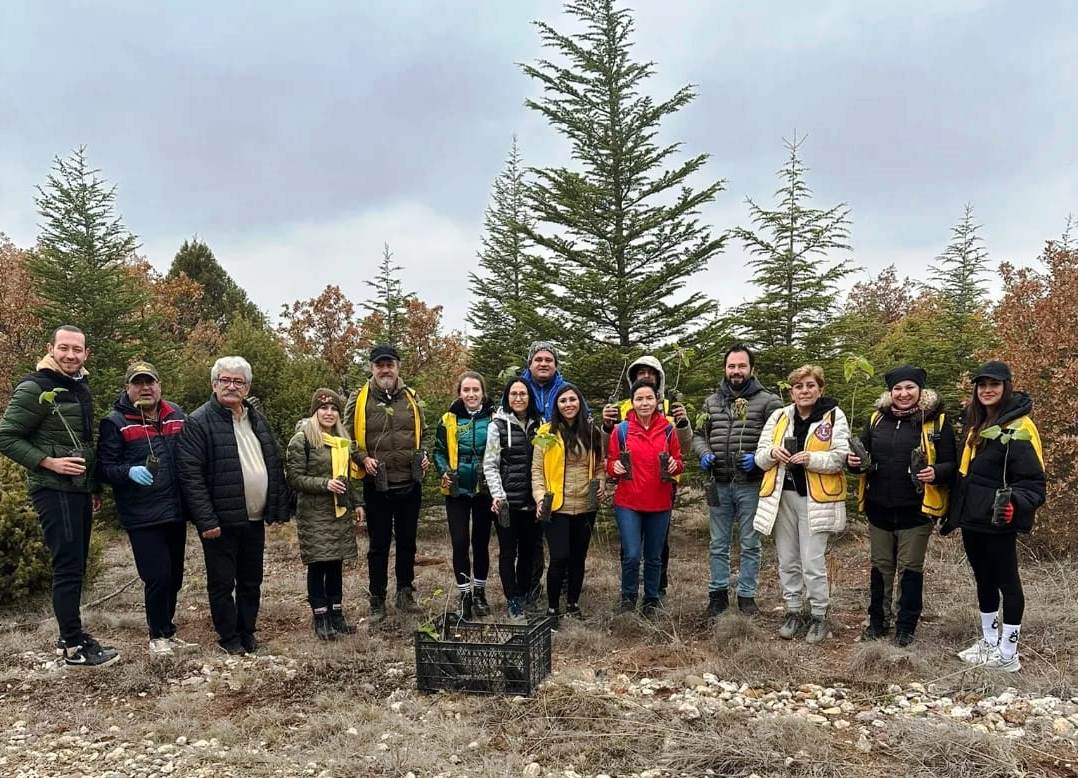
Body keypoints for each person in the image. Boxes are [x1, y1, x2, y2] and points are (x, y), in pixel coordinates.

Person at [0, 325, 118, 667]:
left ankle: (73, 634)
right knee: (67, 567)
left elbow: (83, 441)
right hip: (53, 489)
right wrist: (48, 462)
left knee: (75, 564)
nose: (70, 355)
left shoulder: (78, 386)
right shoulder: (36, 387)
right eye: (64, 348)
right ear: (51, 348)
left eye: (77, 350)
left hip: (78, 490)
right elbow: (6, 436)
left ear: (86, 354)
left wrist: (93, 486)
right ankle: (72, 646)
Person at [177, 356, 291, 654]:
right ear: (214, 384)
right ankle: (228, 637)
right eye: (225, 380)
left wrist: (277, 507)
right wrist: (206, 521)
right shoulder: (198, 422)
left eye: (238, 381)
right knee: (222, 583)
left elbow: (272, 462)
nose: (231, 386)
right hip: (221, 522)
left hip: (254, 518)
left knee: (252, 581)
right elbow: (190, 477)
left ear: (247, 386)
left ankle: (247, 631)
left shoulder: (256, 417)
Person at [944, 361, 1045, 672]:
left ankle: (1008, 653)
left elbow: (1034, 483)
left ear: (1006, 387)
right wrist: (954, 515)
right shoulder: (976, 425)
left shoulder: (1019, 428)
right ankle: (989, 641)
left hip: (999, 519)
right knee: (984, 580)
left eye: (994, 385)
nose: (987, 390)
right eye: (982, 385)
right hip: (973, 519)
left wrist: (1013, 501)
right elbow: (965, 476)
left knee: (1007, 583)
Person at [848, 365, 956, 646]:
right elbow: (862, 460)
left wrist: (936, 472)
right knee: (881, 566)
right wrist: (855, 465)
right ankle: (877, 622)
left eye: (909, 388)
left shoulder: (936, 421)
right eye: (897, 388)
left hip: (917, 509)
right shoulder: (876, 420)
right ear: (890, 392)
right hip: (879, 507)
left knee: (910, 567)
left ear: (920, 390)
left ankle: (906, 626)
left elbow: (952, 464)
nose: (903, 394)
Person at [97, 361, 195, 657]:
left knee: (175, 575)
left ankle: (168, 629)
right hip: (141, 514)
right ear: (128, 388)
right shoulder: (116, 422)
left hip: (175, 510)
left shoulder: (176, 415)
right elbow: (103, 468)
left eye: (149, 382)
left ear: (159, 385)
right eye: (138, 383)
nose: (145, 388)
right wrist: (128, 472)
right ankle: (157, 636)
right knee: (157, 576)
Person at [753, 365, 849, 644]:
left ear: (820, 388)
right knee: (787, 560)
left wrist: (811, 459)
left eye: (810, 385)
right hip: (782, 497)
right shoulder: (779, 416)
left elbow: (840, 457)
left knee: (812, 561)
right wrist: (773, 452)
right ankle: (793, 611)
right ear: (791, 390)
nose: (804, 391)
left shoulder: (833, 417)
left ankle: (819, 614)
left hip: (816, 500)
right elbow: (760, 457)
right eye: (798, 387)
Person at [692, 345, 782, 618]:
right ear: (725, 369)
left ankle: (746, 595)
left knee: (750, 542)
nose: (736, 371)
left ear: (751, 369)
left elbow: (777, 440)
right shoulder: (712, 402)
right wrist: (705, 453)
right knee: (718, 542)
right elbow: (698, 435)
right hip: (719, 483)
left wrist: (757, 459)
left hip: (750, 483)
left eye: (741, 366)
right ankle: (717, 594)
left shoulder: (769, 402)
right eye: (732, 366)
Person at [345, 344, 429, 624]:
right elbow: (347, 439)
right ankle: (377, 599)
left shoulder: (412, 398)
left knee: (407, 543)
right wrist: (363, 458)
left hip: (409, 484)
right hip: (377, 486)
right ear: (372, 368)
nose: (385, 369)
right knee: (378, 545)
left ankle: (405, 593)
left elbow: (425, 434)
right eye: (380, 365)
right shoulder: (359, 399)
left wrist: (424, 456)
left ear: (398, 367)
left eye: (389, 364)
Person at [601, 355, 691, 602]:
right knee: (631, 554)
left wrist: (675, 465)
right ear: (631, 401)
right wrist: (613, 467)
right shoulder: (621, 427)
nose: (644, 403)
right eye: (639, 398)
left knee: (654, 555)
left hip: (660, 500)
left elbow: (681, 457)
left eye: (649, 398)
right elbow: (608, 461)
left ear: (657, 397)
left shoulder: (669, 427)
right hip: (628, 500)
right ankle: (628, 598)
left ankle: (653, 598)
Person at [286, 389, 365, 640]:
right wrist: (325, 484)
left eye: (333, 409)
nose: (329, 413)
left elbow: (347, 477)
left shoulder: (342, 440)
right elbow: (294, 478)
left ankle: (336, 614)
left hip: (338, 512)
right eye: (323, 409)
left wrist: (358, 503)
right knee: (318, 564)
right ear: (314, 412)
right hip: (314, 513)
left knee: (336, 564)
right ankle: (320, 617)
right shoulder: (302, 440)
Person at [531, 383, 605, 629]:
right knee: (560, 557)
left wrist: (602, 482)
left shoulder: (592, 431)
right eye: (563, 401)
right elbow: (537, 472)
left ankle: (573, 604)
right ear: (556, 405)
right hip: (556, 506)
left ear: (580, 402)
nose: (568, 404)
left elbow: (600, 466)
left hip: (585, 505)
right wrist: (540, 498)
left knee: (578, 558)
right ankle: (552, 608)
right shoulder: (546, 433)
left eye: (573, 399)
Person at [434, 371, 494, 619]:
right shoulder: (448, 419)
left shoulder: (494, 418)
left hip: (484, 489)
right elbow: (438, 450)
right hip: (456, 489)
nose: (471, 394)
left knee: (480, 543)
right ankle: (464, 594)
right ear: (460, 393)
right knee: (459, 542)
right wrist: (444, 470)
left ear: (483, 393)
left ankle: (479, 592)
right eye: (466, 390)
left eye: (475, 390)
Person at [483, 378, 542, 621]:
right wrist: (498, 495)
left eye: (523, 394)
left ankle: (526, 592)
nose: (518, 398)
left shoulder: (541, 426)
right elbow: (490, 464)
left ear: (530, 397)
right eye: (514, 394)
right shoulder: (497, 426)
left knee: (529, 552)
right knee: (508, 552)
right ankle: (512, 599)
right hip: (507, 502)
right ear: (507, 397)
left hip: (533, 501)